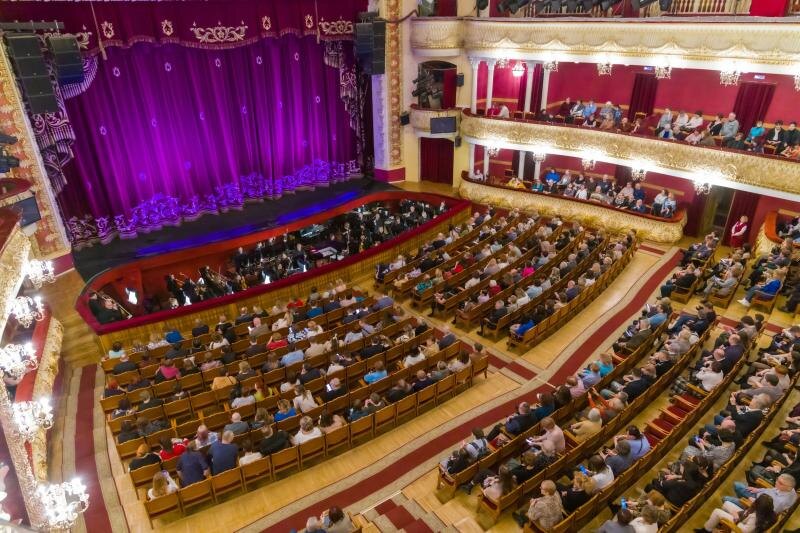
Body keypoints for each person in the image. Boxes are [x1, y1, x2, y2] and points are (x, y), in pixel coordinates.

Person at [695, 493, 777, 533]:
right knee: (726, 504)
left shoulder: (755, 518)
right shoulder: (768, 512)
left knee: (717, 511)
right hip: (744, 519)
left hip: (740, 527)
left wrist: (736, 518)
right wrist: (739, 513)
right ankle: (720, 524)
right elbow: (748, 513)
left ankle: (706, 530)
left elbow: (745, 531)